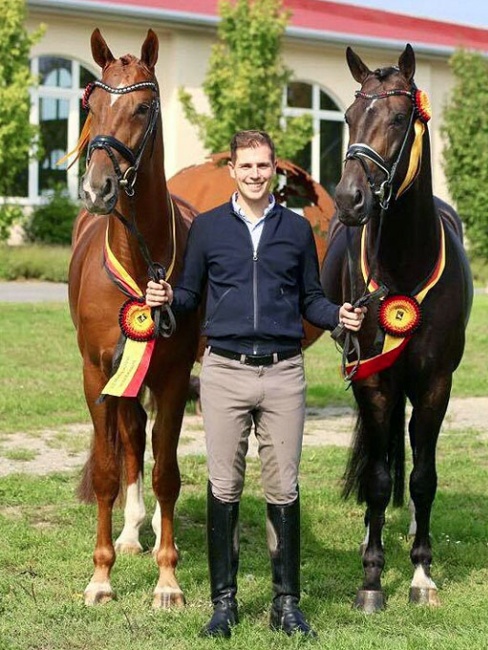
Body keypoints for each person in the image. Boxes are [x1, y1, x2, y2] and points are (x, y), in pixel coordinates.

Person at [146, 130, 365, 639]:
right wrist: (163, 297)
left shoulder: (294, 230)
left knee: (283, 488)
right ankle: (224, 604)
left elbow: (311, 298)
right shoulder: (207, 229)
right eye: (246, 167)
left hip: (284, 374)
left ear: (273, 171)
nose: (255, 175)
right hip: (223, 371)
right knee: (224, 487)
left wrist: (338, 314)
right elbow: (189, 296)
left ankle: (286, 604)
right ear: (233, 171)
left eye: (263, 167)